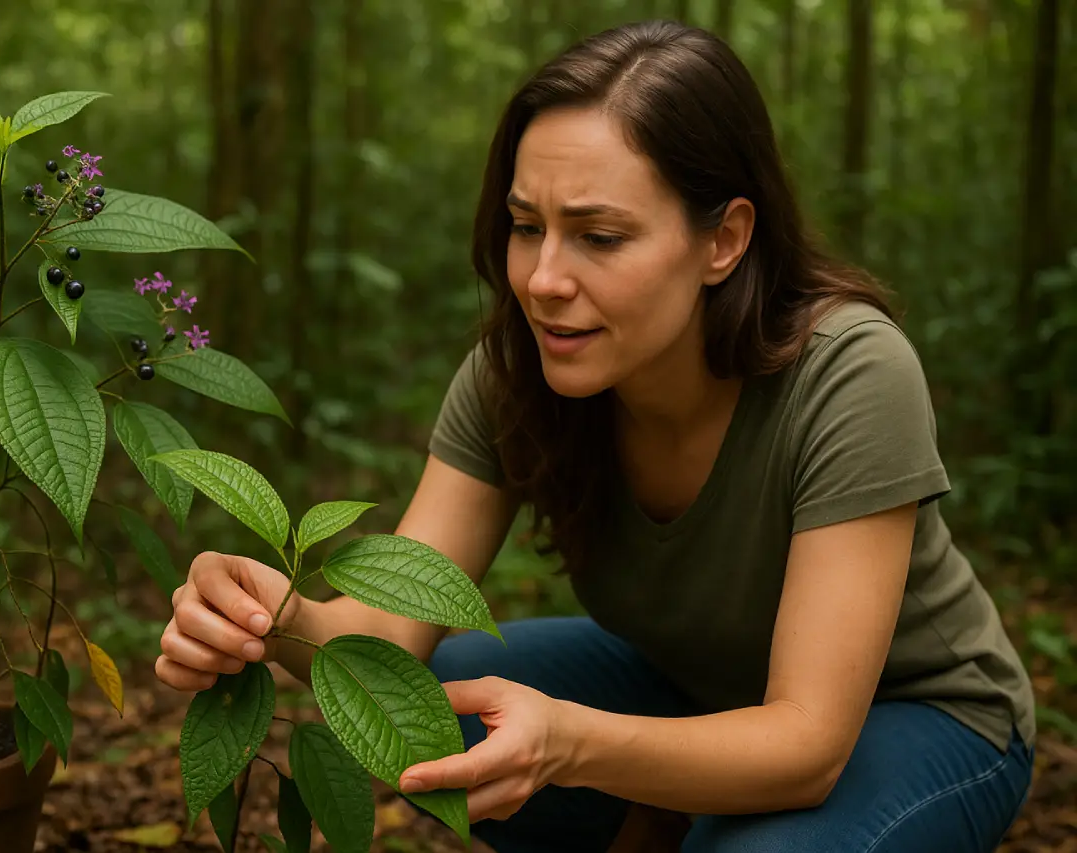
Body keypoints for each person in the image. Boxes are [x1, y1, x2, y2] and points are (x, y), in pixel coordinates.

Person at [155, 19, 1036, 853]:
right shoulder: (519, 370)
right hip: (692, 693)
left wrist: (570, 743)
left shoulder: (848, 372)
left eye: (599, 236)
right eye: (527, 226)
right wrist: (265, 616)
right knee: (433, 707)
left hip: (920, 715)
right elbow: (385, 637)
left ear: (724, 238)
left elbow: (807, 743)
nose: (542, 280)